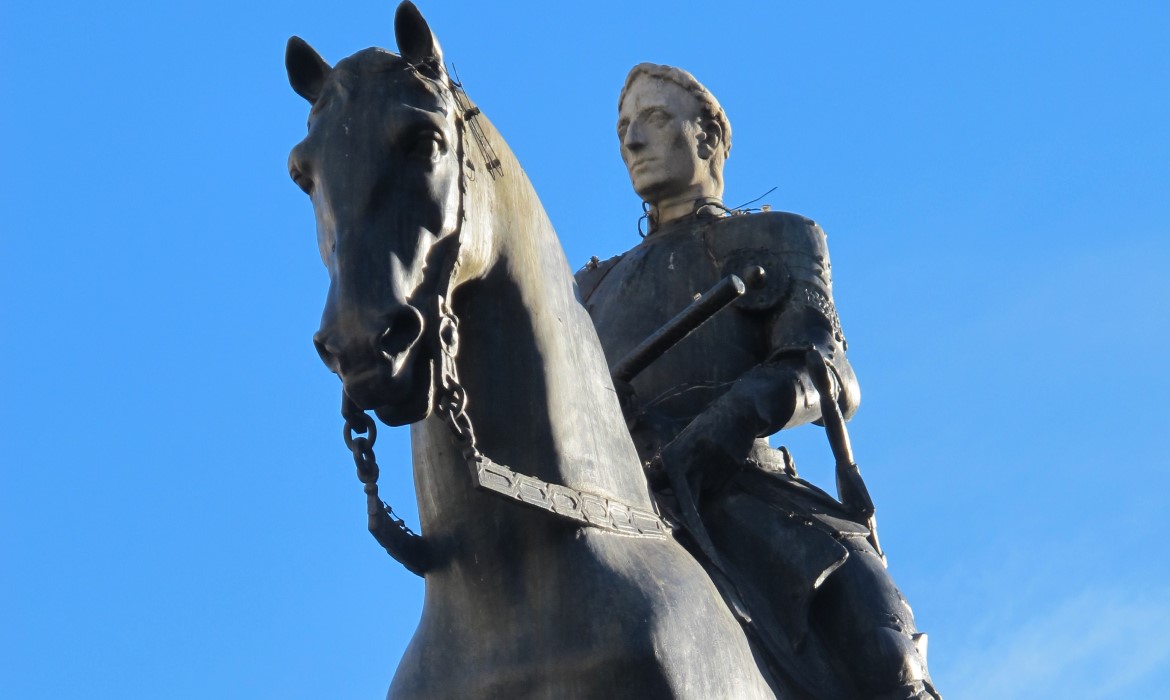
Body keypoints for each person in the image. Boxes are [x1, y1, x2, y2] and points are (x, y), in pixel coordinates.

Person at [576, 63, 940, 700]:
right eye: (624, 128)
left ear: (710, 137)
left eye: (654, 119)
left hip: (746, 495)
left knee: (887, 658)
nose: (633, 141)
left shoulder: (777, 236)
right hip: (619, 501)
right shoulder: (590, 289)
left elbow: (827, 369)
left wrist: (727, 421)